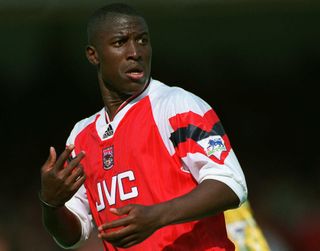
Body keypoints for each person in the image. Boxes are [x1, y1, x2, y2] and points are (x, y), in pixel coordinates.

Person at [39, 3, 248, 251]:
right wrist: (50, 204)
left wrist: (156, 216)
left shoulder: (177, 106)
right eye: (120, 42)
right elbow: (72, 235)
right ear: (93, 55)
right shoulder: (82, 135)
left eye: (142, 41)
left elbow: (231, 184)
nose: (135, 52)